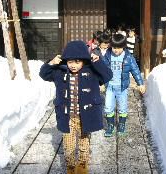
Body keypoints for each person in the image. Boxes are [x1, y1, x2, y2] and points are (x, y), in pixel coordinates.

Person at [39, 40, 113, 174]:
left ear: (84, 60)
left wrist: (97, 62)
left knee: (84, 143)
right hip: (68, 116)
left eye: (77, 61)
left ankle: (83, 163)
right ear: (65, 60)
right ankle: (71, 165)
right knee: (68, 145)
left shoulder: (92, 71)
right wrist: (51, 63)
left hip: (86, 116)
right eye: (70, 61)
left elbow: (108, 75)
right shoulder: (60, 72)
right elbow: (43, 74)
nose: (73, 65)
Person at [102, 33, 146, 137]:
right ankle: (111, 126)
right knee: (108, 107)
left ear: (123, 47)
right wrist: (99, 82)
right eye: (114, 47)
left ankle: (121, 124)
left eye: (119, 47)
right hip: (110, 87)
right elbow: (101, 70)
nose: (116, 50)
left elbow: (135, 70)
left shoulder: (128, 57)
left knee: (122, 107)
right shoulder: (107, 56)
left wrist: (140, 83)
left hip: (122, 87)